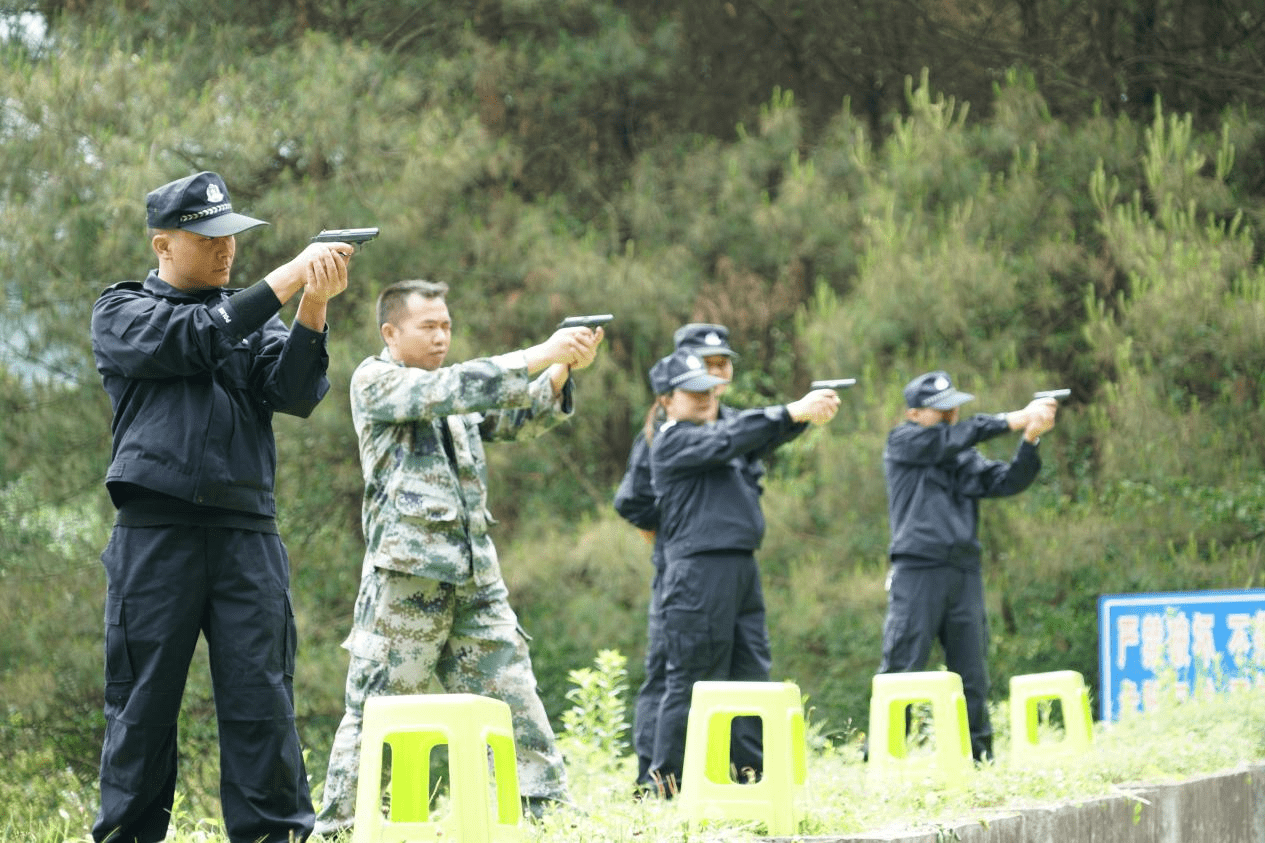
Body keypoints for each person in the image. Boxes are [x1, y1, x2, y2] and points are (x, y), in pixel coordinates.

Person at [89, 171, 353, 843]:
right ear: (162, 243)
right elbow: (195, 339)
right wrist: (290, 277)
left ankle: (274, 834)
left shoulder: (247, 312)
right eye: (205, 238)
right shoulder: (122, 312)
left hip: (246, 537)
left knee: (261, 700)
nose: (224, 250)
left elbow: (294, 391)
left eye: (229, 237)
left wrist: (313, 305)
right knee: (142, 704)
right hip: (156, 536)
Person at [315, 279, 603, 835]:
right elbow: (452, 389)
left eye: (447, 325)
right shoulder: (376, 381)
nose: (443, 336)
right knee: (376, 710)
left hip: (475, 578)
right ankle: (342, 828)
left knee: (514, 693)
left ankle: (546, 812)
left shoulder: (455, 392)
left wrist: (563, 368)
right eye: (429, 326)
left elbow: (517, 419)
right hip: (407, 582)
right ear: (390, 332)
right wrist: (541, 352)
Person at [646, 347, 841, 794]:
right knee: (693, 681)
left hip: (739, 568)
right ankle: (668, 787)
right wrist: (791, 410)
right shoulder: (675, 439)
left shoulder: (722, 433)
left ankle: (752, 781)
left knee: (752, 676)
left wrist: (801, 418)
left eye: (708, 389)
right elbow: (734, 438)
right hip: (697, 573)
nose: (705, 398)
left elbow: (754, 436)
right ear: (666, 401)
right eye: (691, 392)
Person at [878, 370, 1057, 762]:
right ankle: (885, 764)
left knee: (971, 673)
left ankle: (979, 760)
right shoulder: (903, 441)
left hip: (962, 572)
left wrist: (1029, 439)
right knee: (902, 668)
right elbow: (955, 436)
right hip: (918, 569)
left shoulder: (960, 453)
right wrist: (1013, 419)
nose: (950, 416)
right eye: (940, 411)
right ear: (913, 414)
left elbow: (1006, 481)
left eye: (953, 409)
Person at [613, 323, 739, 794]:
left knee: (728, 668)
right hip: (682, 566)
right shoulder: (661, 429)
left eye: (722, 363)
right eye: (704, 365)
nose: (715, 373)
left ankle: (724, 770)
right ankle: (655, 778)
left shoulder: (733, 422)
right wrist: (673, 534)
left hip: (725, 565)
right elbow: (632, 500)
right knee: (670, 671)